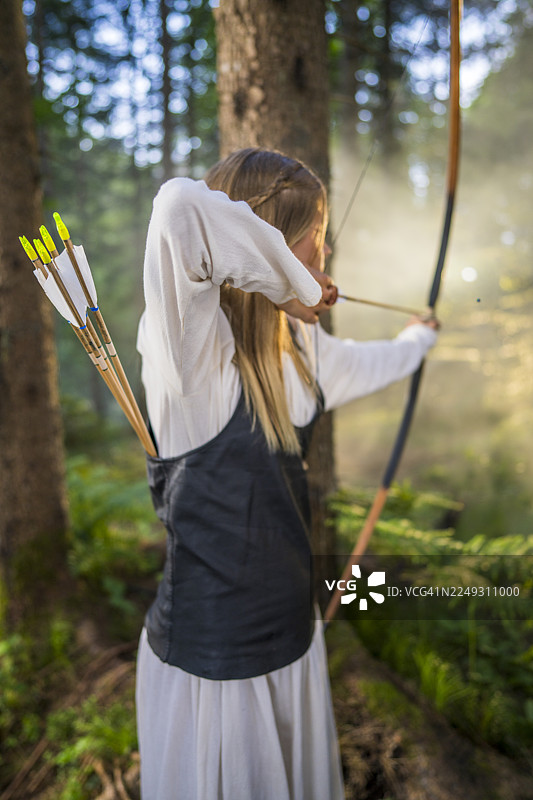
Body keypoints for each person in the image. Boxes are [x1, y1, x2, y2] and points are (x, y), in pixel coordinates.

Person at [135, 147, 439, 800]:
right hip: (216, 669)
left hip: (292, 644)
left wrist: (417, 340)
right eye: (311, 248)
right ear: (265, 243)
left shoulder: (298, 354)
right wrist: (293, 284)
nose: (322, 268)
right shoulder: (190, 359)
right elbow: (178, 209)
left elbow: (370, 362)